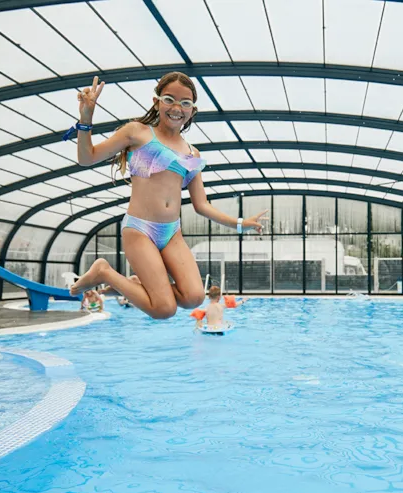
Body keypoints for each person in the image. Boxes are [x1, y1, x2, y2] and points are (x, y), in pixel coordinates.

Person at [69, 72, 267, 319]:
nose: (177, 108)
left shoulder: (191, 153)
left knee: (194, 297)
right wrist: (86, 119)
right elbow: (86, 158)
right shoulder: (137, 132)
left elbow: (202, 205)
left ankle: (132, 284)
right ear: (157, 102)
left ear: (192, 111)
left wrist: (240, 224)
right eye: (169, 99)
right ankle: (104, 272)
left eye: (185, 103)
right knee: (164, 309)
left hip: (171, 232)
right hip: (140, 229)